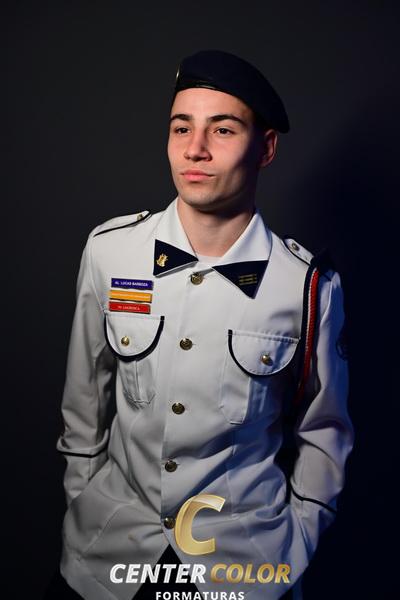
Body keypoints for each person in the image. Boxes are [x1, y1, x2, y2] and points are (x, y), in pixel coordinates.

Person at [48, 50, 354, 600]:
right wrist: (86, 505)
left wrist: (299, 536)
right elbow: (84, 407)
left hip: (243, 568)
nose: (195, 148)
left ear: (265, 148)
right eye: (181, 127)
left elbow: (324, 431)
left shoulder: (307, 285)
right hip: (109, 561)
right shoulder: (110, 251)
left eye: (223, 129)